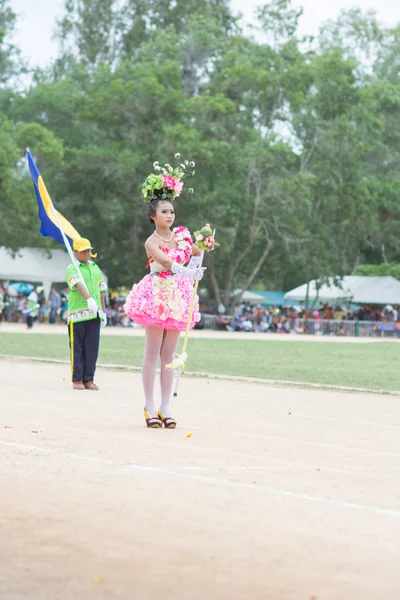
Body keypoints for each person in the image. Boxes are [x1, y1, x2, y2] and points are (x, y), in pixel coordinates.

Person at [124, 157, 203, 429]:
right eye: (164, 212)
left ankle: (165, 407)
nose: (169, 216)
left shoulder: (181, 235)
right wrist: (186, 272)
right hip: (157, 294)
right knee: (152, 352)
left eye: (172, 212)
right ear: (152, 215)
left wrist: (202, 250)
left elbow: (197, 251)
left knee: (169, 356)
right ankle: (148, 405)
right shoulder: (152, 241)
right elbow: (167, 262)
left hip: (178, 296)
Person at [66, 238, 107, 391]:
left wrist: (103, 310)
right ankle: (77, 379)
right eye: (83, 251)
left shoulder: (95, 268)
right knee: (77, 348)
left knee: (92, 348)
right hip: (77, 315)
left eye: (88, 250)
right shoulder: (72, 268)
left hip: (94, 314)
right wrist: (88, 298)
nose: (87, 253)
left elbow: (101, 289)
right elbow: (77, 284)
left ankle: (88, 379)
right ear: (75, 253)